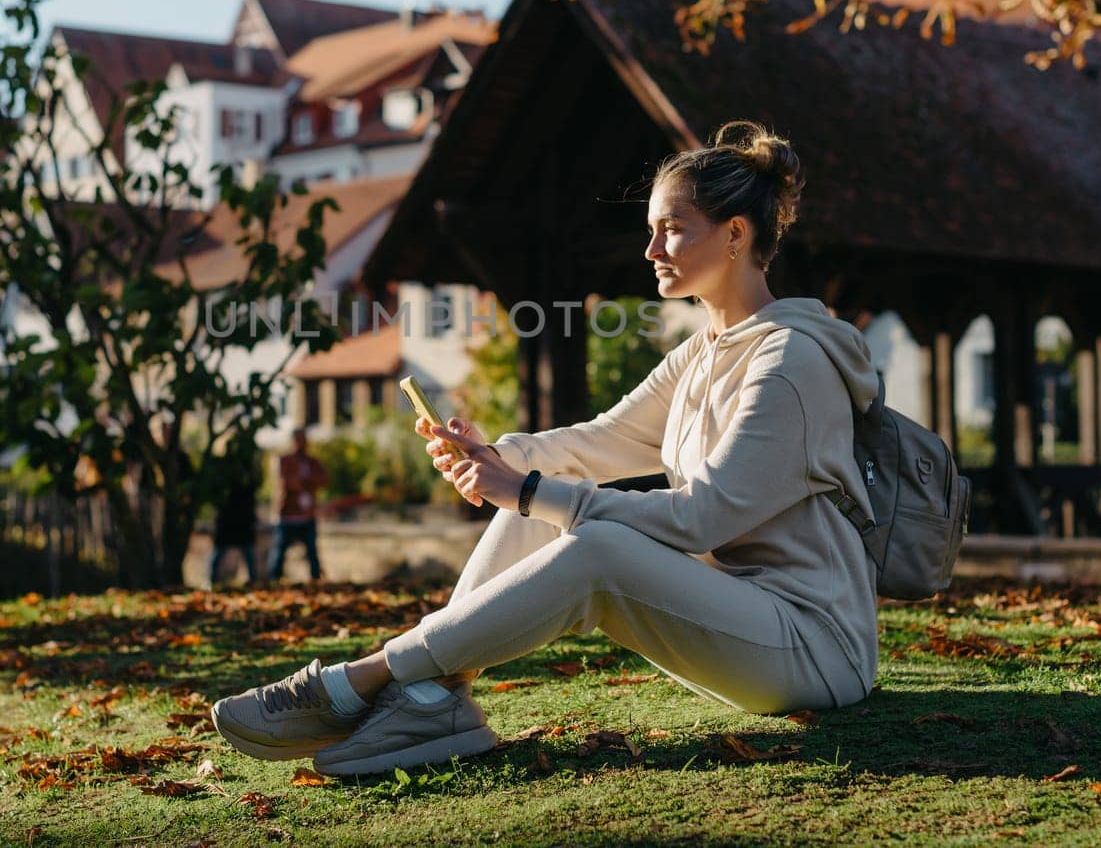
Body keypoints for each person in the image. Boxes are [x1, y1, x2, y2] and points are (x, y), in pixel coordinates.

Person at [211, 121, 880, 777]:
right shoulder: (700, 355)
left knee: (594, 543)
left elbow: (700, 519)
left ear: (736, 234)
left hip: (812, 646)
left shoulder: (791, 363)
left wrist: (527, 489)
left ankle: (364, 680)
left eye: (671, 229)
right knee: (549, 492)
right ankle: (434, 697)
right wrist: (499, 460)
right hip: (735, 619)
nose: (650, 249)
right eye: (650, 229)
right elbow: (602, 441)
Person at [267, 427, 326, 582]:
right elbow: (287, 483)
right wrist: (307, 482)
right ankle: (274, 582)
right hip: (286, 515)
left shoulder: (312, 462)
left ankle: (316, 582)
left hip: (307, 516)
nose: (302, 443)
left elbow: (323, 479)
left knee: (312, 553)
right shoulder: (284, 460)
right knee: (279, 553)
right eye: (299, 439)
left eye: (304, 439)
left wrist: (303, 482)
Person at [208, 438, 263, 589]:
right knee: (219, 554)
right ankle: (211, 583)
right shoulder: (222, 469)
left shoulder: (247, 469)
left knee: (248, 555)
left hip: (243, 519)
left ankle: (254, 584)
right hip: (228, 519)